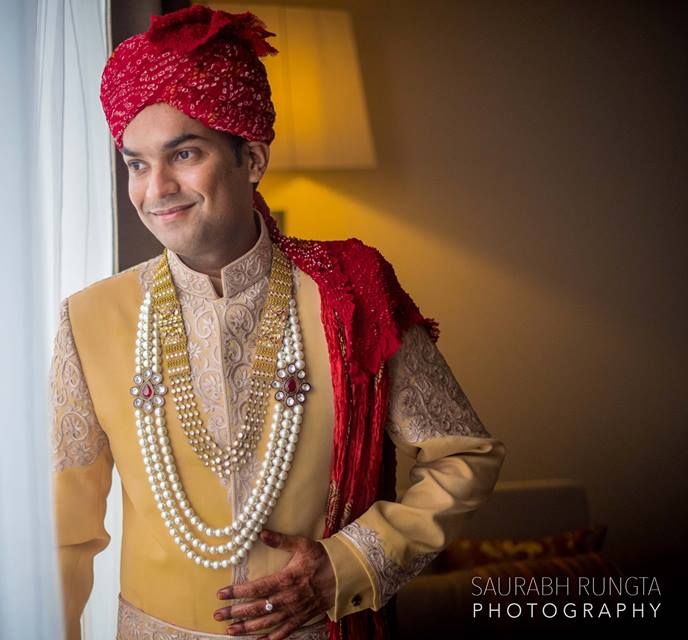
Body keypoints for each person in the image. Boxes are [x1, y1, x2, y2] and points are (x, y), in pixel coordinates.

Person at [51, 5, 505, 640]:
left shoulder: (350, 298)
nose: (156, 188)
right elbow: (63, 539)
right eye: (136, 162)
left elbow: (464, 457)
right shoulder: (89, 320)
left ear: (252, 158)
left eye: (184, 153)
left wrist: (349, 564)